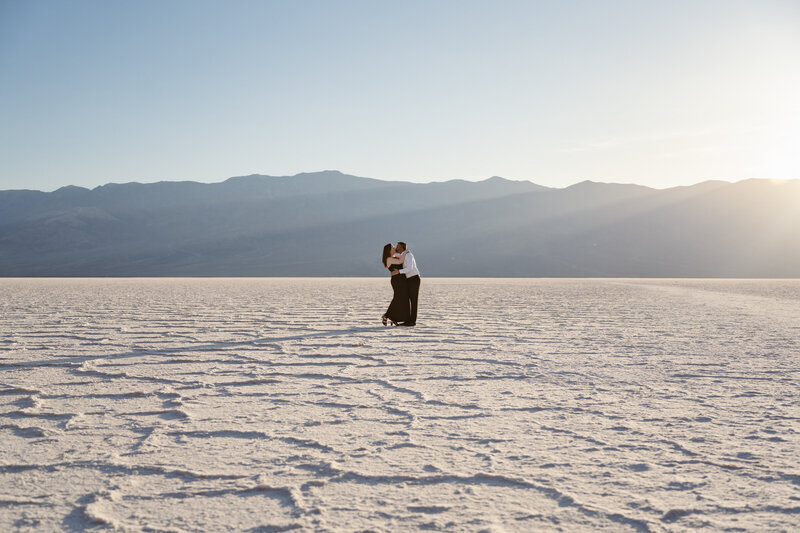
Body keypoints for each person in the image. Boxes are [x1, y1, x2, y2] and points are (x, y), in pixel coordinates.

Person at [381, 243, 410, 326]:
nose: (394, 248)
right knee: (398, 298)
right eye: (392, 247)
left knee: (402, 299)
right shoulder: (388, 259)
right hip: (397, 280)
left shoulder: (394, 258)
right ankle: (386, 315)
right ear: (389, 250)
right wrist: (405, 252)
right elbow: (401, 261)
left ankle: (395, 318)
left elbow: (401, 260)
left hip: (402, 279)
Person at [395, 241, 420, 326]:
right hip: (409, 279)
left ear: (401, 247)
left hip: (414, 279)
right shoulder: (404, 255)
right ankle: (408, 320)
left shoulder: (408, 255)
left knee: (413, 300)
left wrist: (399, 271)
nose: (396, 247)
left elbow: (410, 268)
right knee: (408, 300)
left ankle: (412, 321)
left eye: (397, 246)